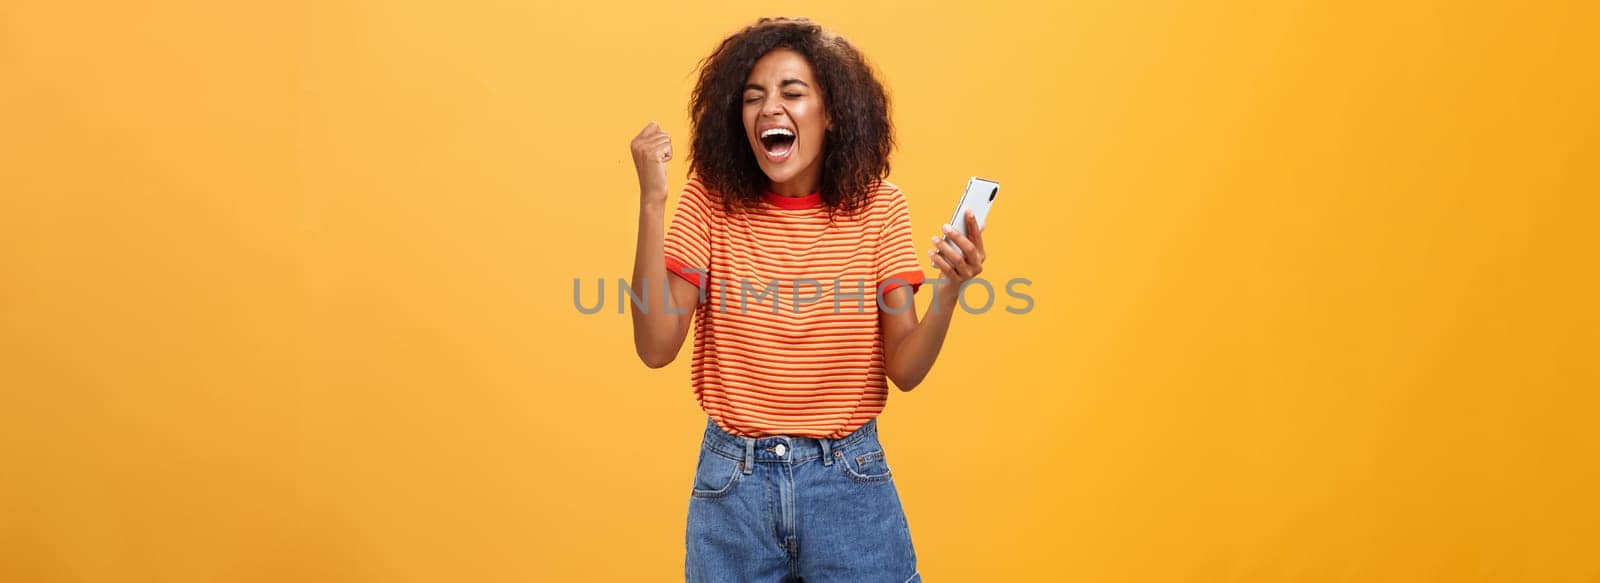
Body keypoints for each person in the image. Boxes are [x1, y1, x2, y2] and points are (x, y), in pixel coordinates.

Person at [627, 17, 988, 582]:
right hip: (733, 490)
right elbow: (655, 346)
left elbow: (906, 368)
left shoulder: (880, 208)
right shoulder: (710, 201)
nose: (770, 108)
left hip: (849, 481)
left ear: (833, 112)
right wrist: (653, 200)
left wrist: (951, 289)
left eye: (793, 93)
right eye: (754, 97)